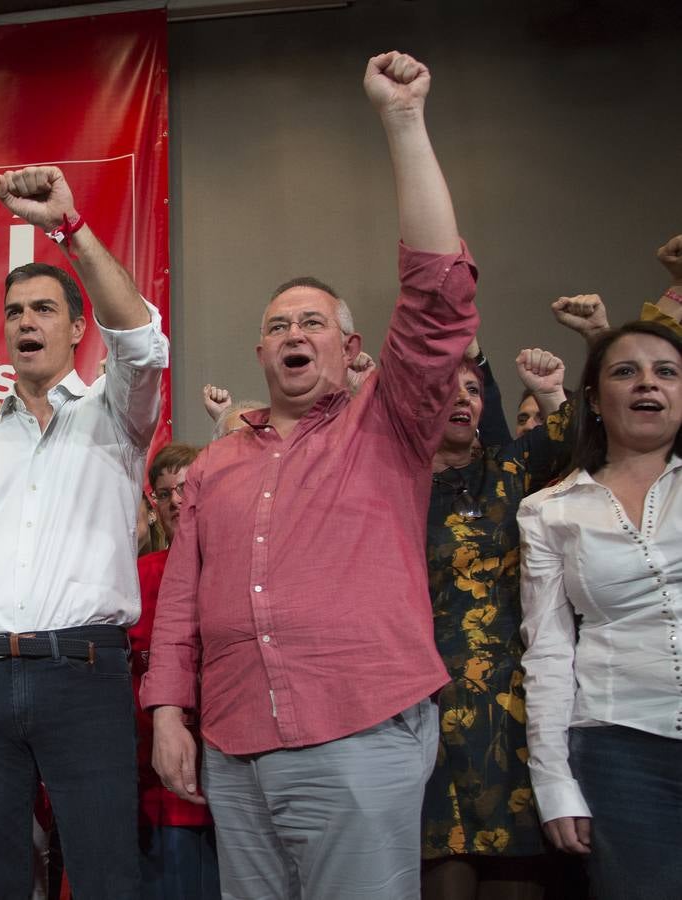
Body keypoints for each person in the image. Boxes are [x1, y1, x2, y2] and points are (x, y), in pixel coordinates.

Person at [143, 52, 477, 900]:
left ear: (351, 348)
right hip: (236, 746)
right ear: (260, 353)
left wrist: (403, 122)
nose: (294, 330)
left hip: (359, 732)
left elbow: (439, 302)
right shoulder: (217, 464)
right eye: (278, 323)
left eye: (314, 322)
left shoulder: (391, 423)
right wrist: (168, 714)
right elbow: (181, 599)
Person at [0, 165, 168, 900]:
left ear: (79, 329)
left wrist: (70, 230)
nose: (25, 323)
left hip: (82, 676)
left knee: (107, 876)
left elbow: (142, 342)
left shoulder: (117, 415)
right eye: (15, 311)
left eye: (44, 309)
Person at [518, 320, 682, 899]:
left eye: (666, 372)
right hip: (620, 750)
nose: (648, 384)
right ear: (593, 397)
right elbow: (547, 649)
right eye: (625, 371)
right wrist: (554, 781)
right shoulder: (549, 511)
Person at [420, 344, 570, 899]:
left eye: (474, 390)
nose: (462, 398)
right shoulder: (388, 487)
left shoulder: (511, 470)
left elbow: (581, 434)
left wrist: (552, 391)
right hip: (420, 717)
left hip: (508, 716)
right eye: (445, 389)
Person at [129, 442, 219, 900]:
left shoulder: (235, 570)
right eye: (165, 494)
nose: (177, 501)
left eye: (187, 488)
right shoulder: (137, 578)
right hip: (157, 793)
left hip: (232, 784)